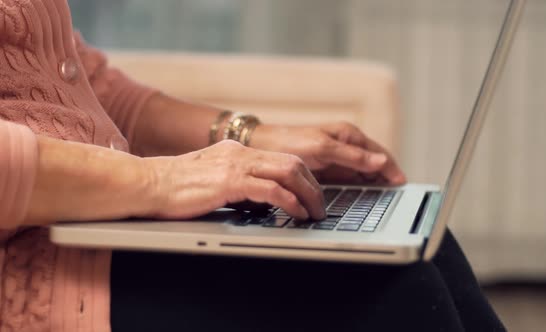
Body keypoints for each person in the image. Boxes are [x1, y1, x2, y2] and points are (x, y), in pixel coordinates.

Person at [0, 0, 505, 331]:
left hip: (95, 224)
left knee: (421, 242)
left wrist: (257, 137)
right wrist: (162, 179)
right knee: (394, 295)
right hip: (32, 274)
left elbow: (86, 83)